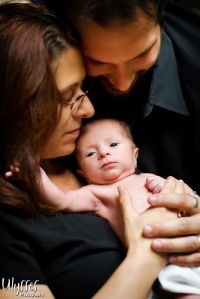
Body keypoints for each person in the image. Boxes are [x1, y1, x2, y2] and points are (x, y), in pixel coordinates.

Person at [0, 3, 186, 299]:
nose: (88, 109)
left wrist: (190, 217)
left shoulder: (95, 155)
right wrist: (147, 257)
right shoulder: (8, 226)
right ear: (15, 106)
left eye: (83, 89)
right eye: (66, 98)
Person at [43, 0, 200, 267]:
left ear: (161, 17)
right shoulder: (42, 56)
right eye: (95, 62)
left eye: (142, 54)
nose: (122, 82)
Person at [34, 118, 200, 299]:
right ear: (83, 174)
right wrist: (35, 174)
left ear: (134, 155)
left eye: (113, 144)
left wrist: (178, 194)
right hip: (165, 264)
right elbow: (61, 200)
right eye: (90, 153)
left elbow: (187, 198)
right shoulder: (95, 193)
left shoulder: (149, 177)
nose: (103, 153)